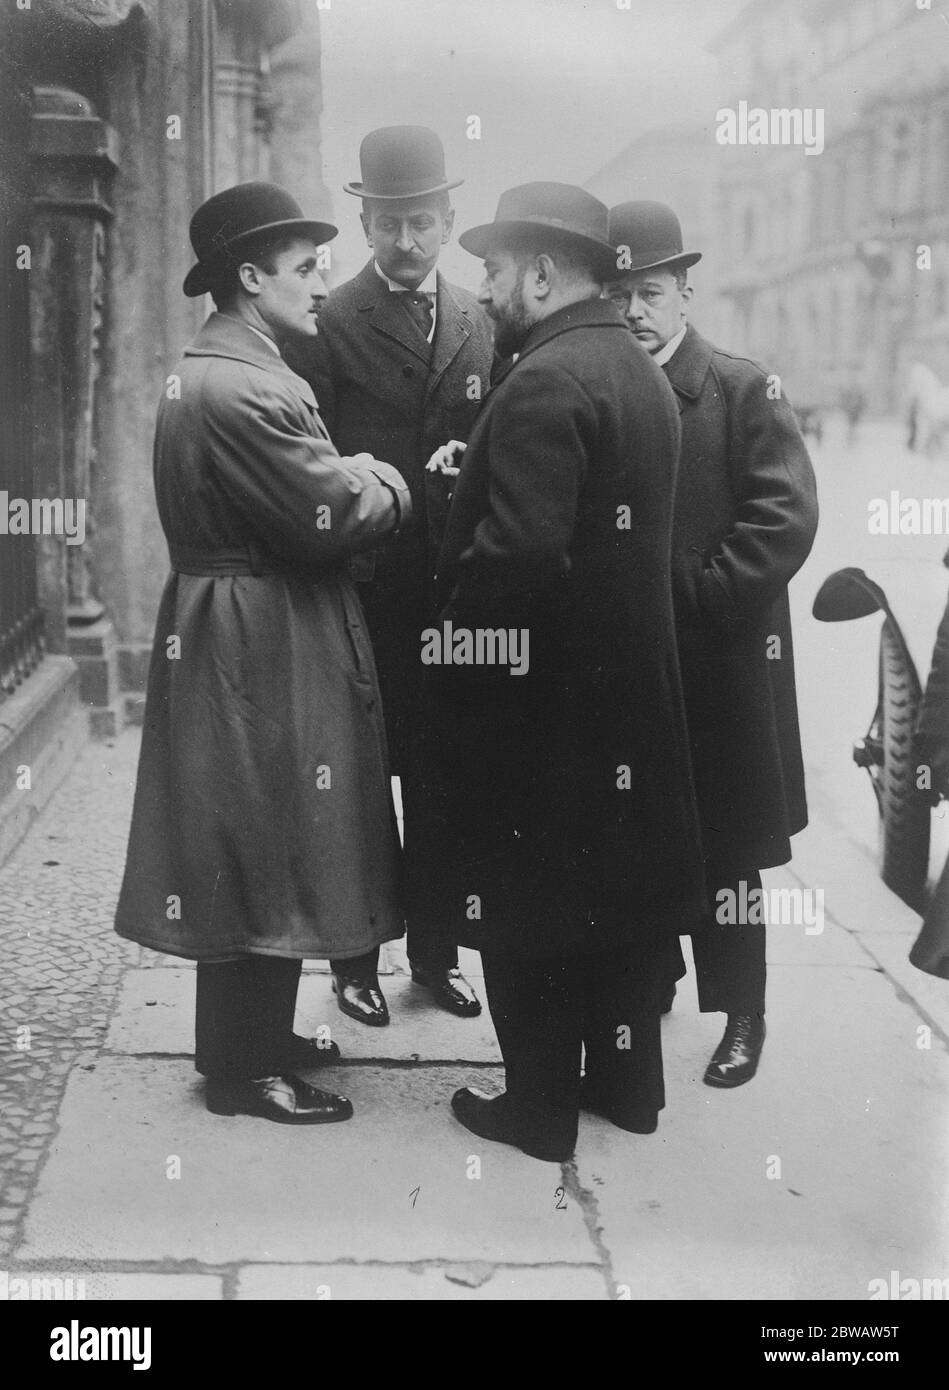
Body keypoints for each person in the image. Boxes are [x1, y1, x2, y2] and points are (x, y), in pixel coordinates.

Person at [114, 183, 411, 1124]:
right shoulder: (248, 384)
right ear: (249, 278)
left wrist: (341, 474)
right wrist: (389, 481)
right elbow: (328, 514)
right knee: (262, 835)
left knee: (252, 830)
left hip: (235, 620)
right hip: (259, 630)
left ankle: (248, 1043)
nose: (321, 283)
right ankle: (245, 1074)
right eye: (303, 266)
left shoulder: (219, 369)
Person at [427, 183, 705, 1161]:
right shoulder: (633, 367)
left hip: (545, 723)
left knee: (529, 910)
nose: (487, 286)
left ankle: (537, 1110)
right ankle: (628, 1089)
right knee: (620, 908)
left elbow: (517, 564)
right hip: (629, 707)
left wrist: (448, 654)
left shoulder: (545, 381)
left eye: (495, 268)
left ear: (543, 272)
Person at [606, 200, 819, 1088]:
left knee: (730, 847)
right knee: (642, 830)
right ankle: (654, 979)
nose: (633, 311)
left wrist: (702, 595)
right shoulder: (602, 384)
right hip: (635, 667)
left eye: (650, 292)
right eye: (618, 293)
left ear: (685, 293)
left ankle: (742, 1016)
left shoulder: (739, 387)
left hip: (726, 664)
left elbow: (785, 518)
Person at [287, 127, 494, 1025]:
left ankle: (438, 958)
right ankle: (352, 961)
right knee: (360, 783)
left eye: (422, 222)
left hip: (454, 593)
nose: (406, 242)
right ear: (362, 224)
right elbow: (308, 454)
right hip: (365, 592)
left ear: (448, 220)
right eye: (387, 224)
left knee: (448, 777)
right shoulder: (327, 324)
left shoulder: (485, 320)